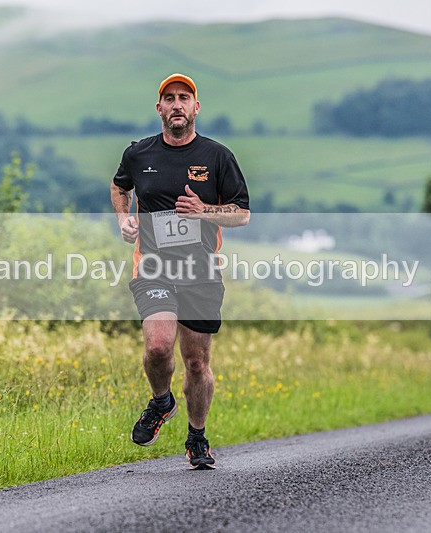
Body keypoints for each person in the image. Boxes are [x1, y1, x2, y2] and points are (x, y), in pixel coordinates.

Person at [110, 73, 250, 469]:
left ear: (195, 108)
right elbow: (120, 186)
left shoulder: (218, 156)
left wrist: (203, 210)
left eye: (183, 98)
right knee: (157, 346)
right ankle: (161, 402)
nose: (176, 105)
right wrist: (123, 220)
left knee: (196, 362)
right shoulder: (139, 154)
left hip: (201, 271)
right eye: (169, 98)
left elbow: (241, 213)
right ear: (159, 108)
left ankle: (197, 437)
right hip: (152, 266)